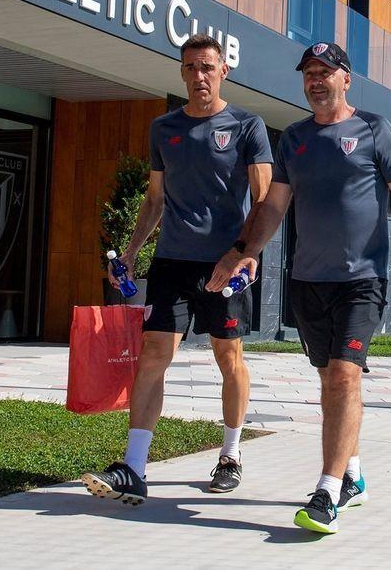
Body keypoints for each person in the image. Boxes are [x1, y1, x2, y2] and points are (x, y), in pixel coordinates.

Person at [208, 41, 391, 534]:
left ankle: (326, 492)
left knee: (346, 376)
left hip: (361, 280)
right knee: (331, 381)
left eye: (325, 72)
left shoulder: (373, 129)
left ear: (346, 78)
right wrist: (244, 250)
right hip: (308, 280)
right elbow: (273, 207)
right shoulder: (296, 139)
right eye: (309, 72)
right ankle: (352, 473)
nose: (315, 80)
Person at [81, 34, 274, 504]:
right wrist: (129, 255)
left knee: (229, 358)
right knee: (153, 355)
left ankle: (230, 454)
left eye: (207, 66)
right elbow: (154, 201)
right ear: (182, 72)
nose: (199, 76)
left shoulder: (248, 125)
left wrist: (242, 254)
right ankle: (134, 466)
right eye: (191, 67)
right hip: (171, 261)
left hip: (224, 264)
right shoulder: (163, 128)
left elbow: (265, 201)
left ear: (223, 70)